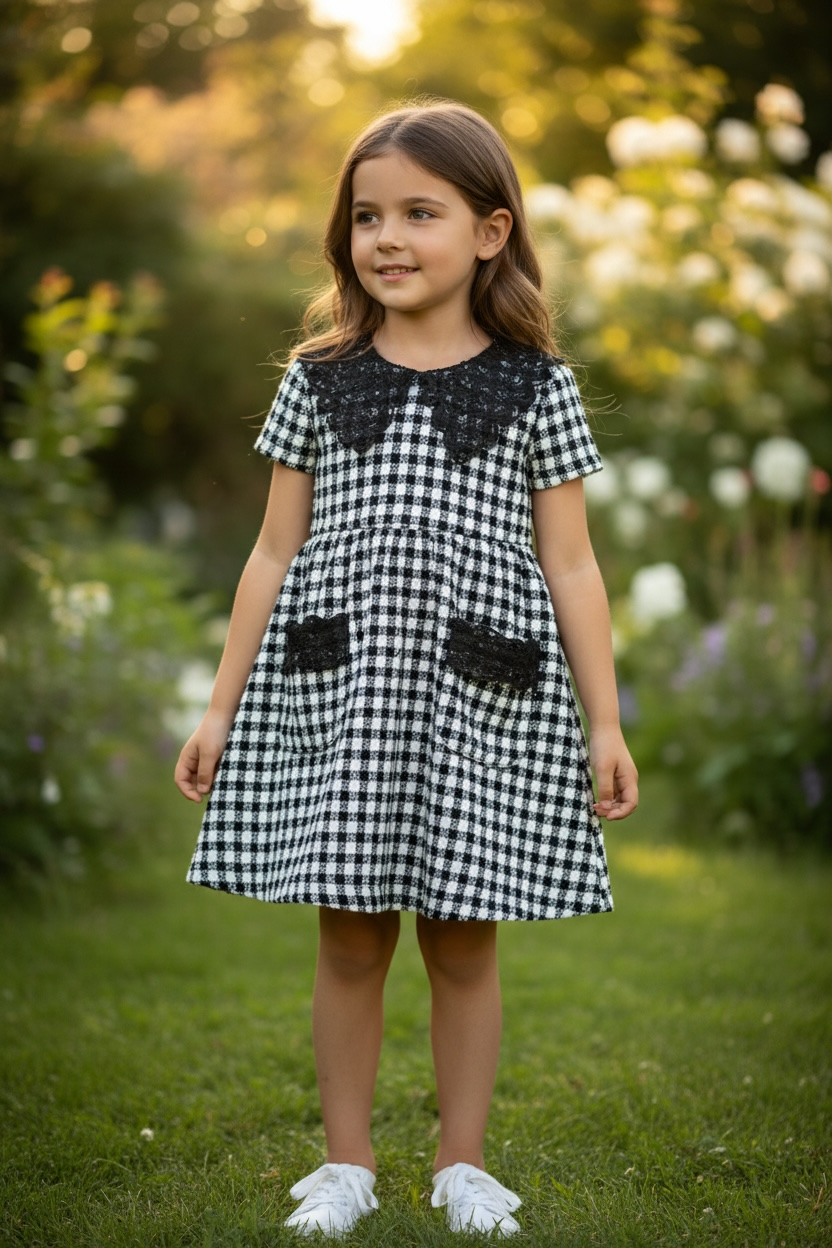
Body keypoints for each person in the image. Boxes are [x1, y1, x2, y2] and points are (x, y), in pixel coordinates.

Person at [175, 99, 638, 1239]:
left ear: (489, 232)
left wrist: (605, 721)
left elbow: (572, 566)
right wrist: (220, 708)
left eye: (419, 213)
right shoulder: (318, 378)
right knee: (348, 932)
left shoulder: (537, 387)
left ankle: (462, 1165)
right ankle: (346, 1164)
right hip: (343, 697)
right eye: (367, 215)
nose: (386, 237)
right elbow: (272, 552)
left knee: (464, 936)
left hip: (482, 702)